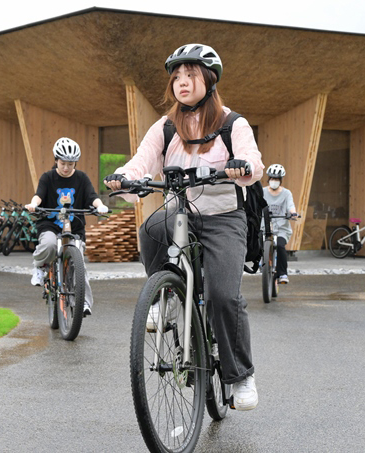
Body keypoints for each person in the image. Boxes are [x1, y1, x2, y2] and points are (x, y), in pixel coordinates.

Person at [104, 43, 264, 410]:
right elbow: (141, 162)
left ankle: (240, 376)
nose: (182, 82)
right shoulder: (166, 127)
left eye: (190, 74)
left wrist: (244, 167)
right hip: (182, 214)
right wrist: (124, 179)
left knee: (223, 296)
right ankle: (165, 296)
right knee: (151, 228)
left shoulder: (231, 123)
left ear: (208, 79)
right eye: (177, 76)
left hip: (225, 218)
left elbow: (253, 161)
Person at [25, 137, 109, 317]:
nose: (66, 168)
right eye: (63, 163)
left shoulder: (81, 178)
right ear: (56, 160)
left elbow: (92, 196)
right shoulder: (48, 177)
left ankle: (82, 303)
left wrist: (99, 205)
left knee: (78, 265)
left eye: (70, 164)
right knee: (48, 245)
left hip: (74, 229)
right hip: (50, 225)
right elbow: (39, 195)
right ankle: (39, 267)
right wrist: (33, 204)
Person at [263, 164, 297, 284]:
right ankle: (264, 266)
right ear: (268, 179)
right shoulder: (262, 192)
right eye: (272, 178)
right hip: (265, 227)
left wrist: (293, 213)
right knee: (260, 246)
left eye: (276, 179)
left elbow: (291, 206)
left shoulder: (286, 193)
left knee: (281, 246)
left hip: (282, 229)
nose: (274, 181)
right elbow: (256, 206)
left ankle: (283, 273)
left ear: (280, 180)